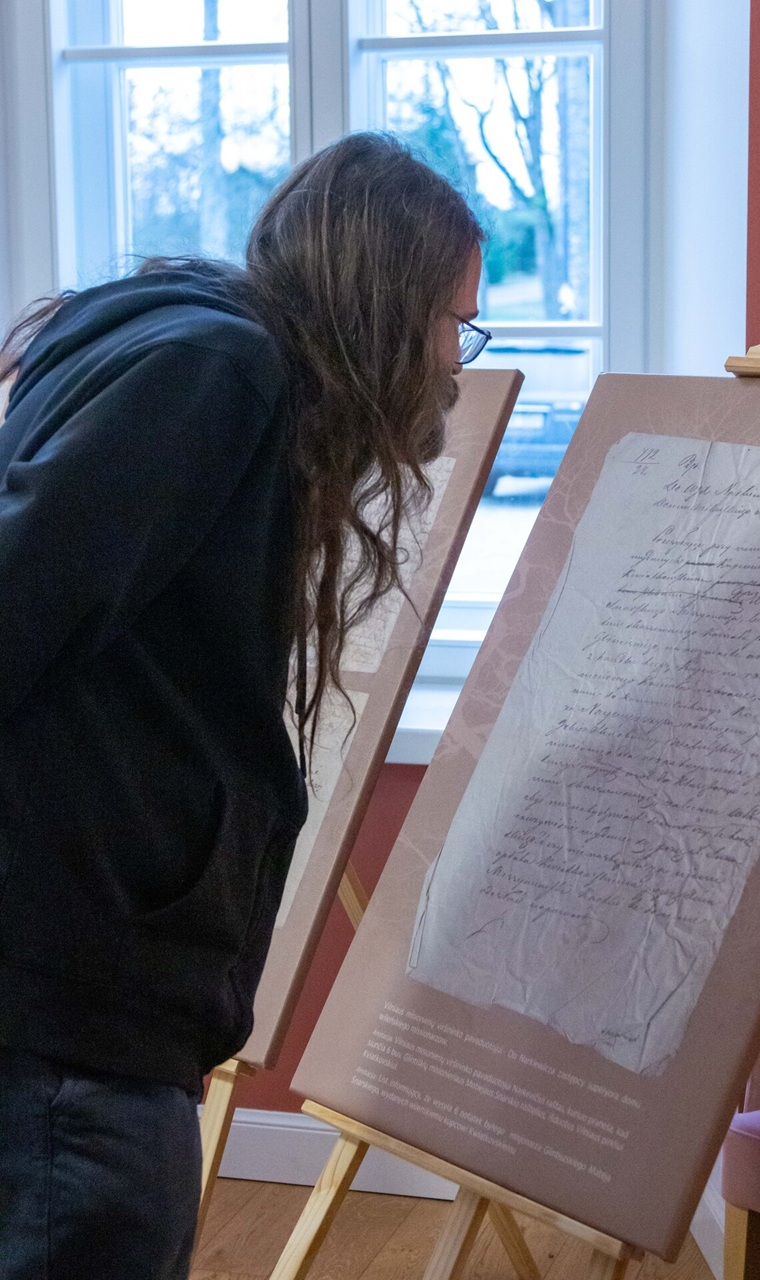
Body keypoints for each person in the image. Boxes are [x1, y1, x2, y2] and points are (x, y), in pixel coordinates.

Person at [0, 131, 485, 1279]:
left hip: (74, 983)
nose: (456, 362)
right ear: (388, 297)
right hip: (75, 1006)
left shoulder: (180, 339)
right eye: (454, 322)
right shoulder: (217, 369)